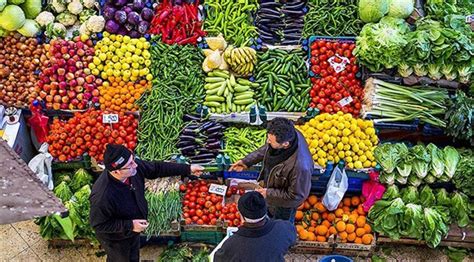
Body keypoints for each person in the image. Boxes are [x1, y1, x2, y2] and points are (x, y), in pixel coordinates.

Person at [89, 144, 204, 262]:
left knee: (133, 255)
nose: (136, 165)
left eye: (133, 159)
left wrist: (188, 168)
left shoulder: (132, 169)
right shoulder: (102, 196)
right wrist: (130, 225)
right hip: (116, 238)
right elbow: (98, 225)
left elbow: (156, 168)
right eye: (130, 165)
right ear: (117, 171)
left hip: (132, 230)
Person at [229, 117, 313, 222]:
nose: (268, 141)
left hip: (284, 204)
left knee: (280, 223)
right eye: (268, 138)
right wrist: (246, 161)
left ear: (285, 144)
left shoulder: (300, 167)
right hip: (274, 187)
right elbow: (268, 148)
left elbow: (296, 196)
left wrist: (268, 193)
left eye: (271, 140)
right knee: (269, 215)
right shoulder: (290, 133)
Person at [213, 191, 297, 262]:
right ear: (265, 210)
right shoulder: (284, 229)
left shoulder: (231, 245)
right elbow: (292, 238)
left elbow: (217, 259)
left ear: (240, 214)